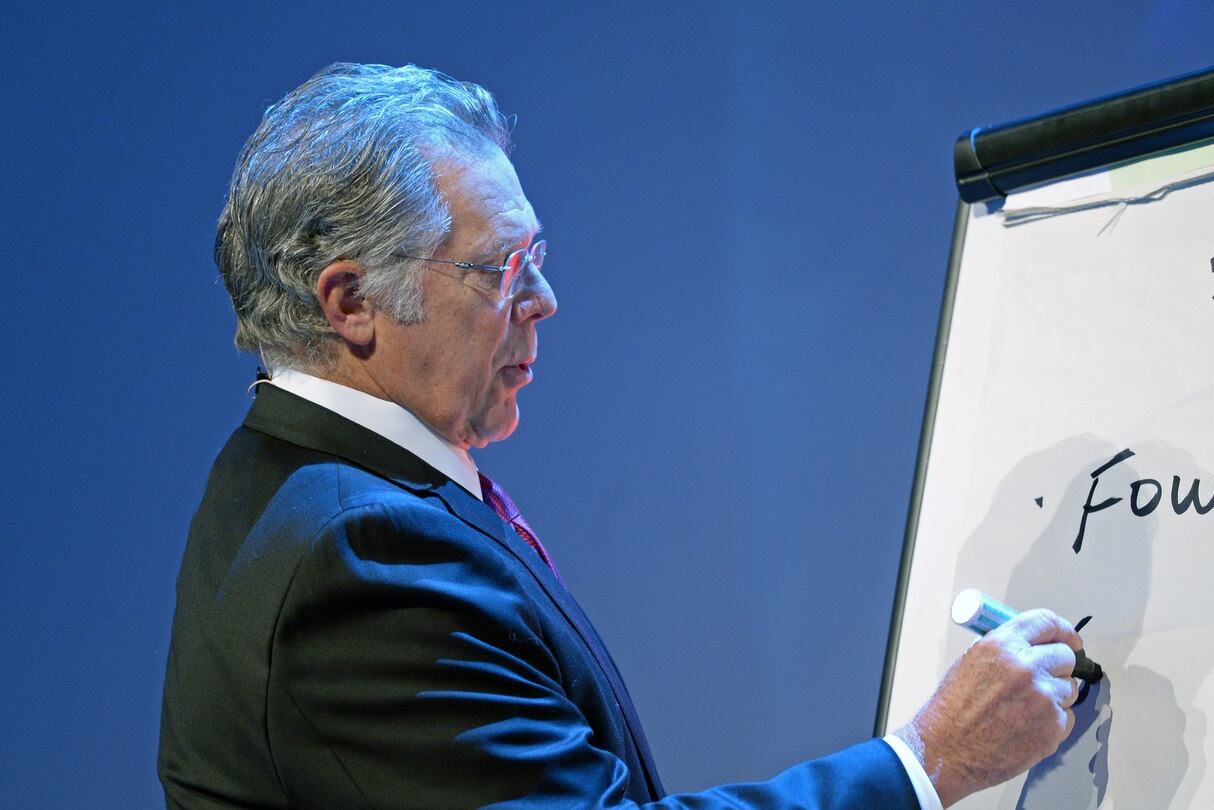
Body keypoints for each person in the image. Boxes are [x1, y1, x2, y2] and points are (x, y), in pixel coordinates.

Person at [158, 62, 1084, 809]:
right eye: (505, 270)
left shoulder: (287, 478)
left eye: (541, 259)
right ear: (353, 303)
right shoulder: (356, 559)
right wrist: (928, 763)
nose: (545, 302)